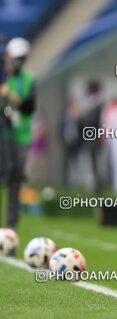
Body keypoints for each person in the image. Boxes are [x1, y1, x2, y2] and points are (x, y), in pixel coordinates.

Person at [0, 37, 36, 230]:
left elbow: (29, 107)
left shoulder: (28, 80)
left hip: (20, 136)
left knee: (15, 178)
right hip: (3, 134)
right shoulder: (3, 76)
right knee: (4, 173)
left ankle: (10, 227)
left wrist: (10, 97)